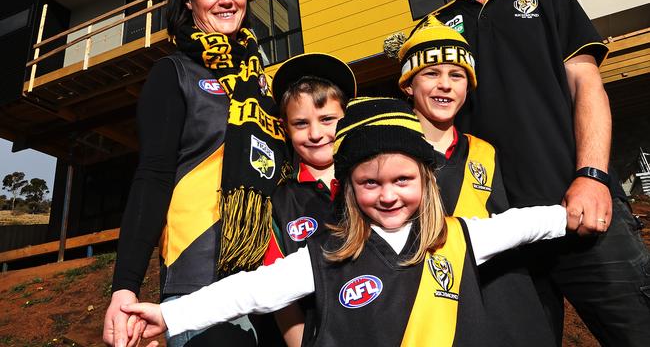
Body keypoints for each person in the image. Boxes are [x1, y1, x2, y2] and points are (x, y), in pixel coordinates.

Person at [121, 97, 569, 347]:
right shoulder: (327, 257)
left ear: (426, 179)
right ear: (350, 188)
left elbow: (524, 224)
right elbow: (250, 290)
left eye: (402, 179)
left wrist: (570, 214)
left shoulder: (462, 236)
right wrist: (168, 314)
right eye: (370, 183)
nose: (388, 194)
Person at [416, 0, 650, 345]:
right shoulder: (436, 28)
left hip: (579, 211)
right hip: (499, 236)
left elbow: (587, 86)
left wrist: (593, 175)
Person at [102, 0, 290, 347]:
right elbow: (152, 177)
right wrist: (125, 286)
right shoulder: (174, 73)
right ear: (189, 1)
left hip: (276, 277)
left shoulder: (262, 83)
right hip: (199, 277)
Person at [384, 21, 555, 345]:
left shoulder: (486, 152)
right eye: (431, 73)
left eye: (457, 75)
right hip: (429, 313)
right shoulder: (388, 156)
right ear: (407, 84)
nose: (445, 85)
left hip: (507, 308)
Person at [261, 52, 356, 346]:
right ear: (285, 129)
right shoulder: (278, 201)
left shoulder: (376, 180)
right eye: (301, 123)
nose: (316, 134)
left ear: (347, 116)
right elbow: (279, 297)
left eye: (327, 119)